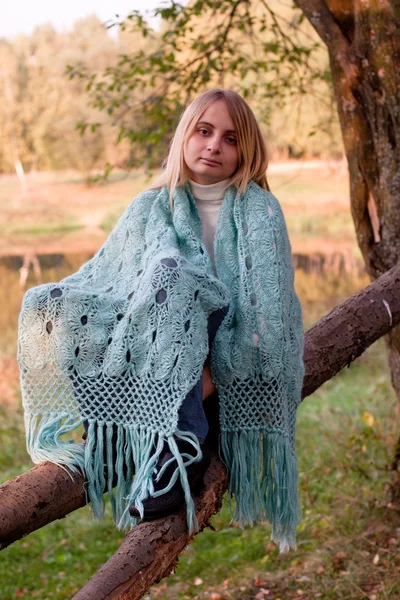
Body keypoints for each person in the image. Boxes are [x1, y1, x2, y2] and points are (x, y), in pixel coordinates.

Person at [18, 89, 305, 553]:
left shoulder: (259, 210)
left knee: (177, 279)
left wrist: (197, 382)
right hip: (162, 351)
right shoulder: (151, 206)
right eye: (204, 131)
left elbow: (265, 324)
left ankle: (178, 450)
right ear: (184, 138)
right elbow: (110, 284)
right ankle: (116, 425)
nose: (214, 145)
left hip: (224, 357)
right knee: (63, 299)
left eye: (230, 138)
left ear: (246, 150)